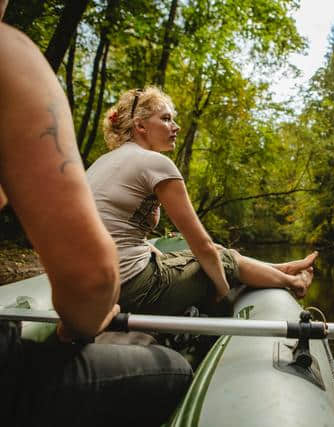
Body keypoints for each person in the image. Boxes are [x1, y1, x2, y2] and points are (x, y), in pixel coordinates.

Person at [0, 2, 192, 425]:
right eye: (166, 118)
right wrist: (83, 325)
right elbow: (91, 278)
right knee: (173, 367)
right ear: (139, 126)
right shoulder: (10, 61)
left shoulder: (109, 162)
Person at [87, 86, 317, 317]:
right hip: (129, 287)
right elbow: (201, 244)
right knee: (222, 258)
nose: (175, 127)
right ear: (140, 126)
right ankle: (294, 283)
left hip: (90, 287)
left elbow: (110, 228)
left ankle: (283, 270)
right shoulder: (154, 163)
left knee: (218, 252)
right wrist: (222, 288)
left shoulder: (100, 163)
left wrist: (152, 249)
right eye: (166, 119)